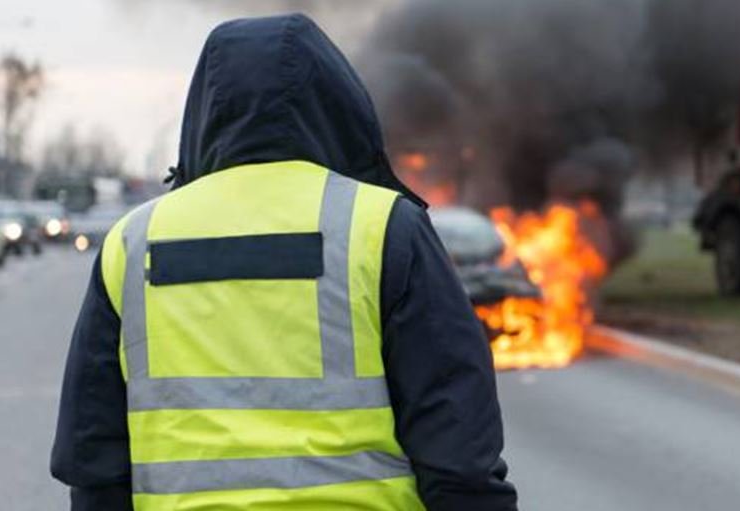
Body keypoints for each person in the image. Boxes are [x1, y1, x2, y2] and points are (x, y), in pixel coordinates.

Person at [50, 14, 518, 510]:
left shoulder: (134, 241)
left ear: (206, 110)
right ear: (337, 105)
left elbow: (93, 458)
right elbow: (458, 448)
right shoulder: (383, 227)